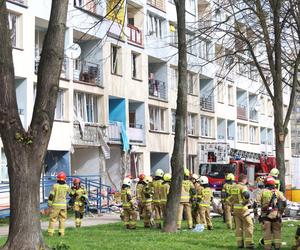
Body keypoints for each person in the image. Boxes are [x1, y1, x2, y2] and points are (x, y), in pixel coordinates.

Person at [257, 176, 287, 250]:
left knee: (267, 233)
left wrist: (257, 215)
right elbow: (284, 203)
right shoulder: (278, 192)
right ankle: (277, 247)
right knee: (277, 232)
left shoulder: (262, 192)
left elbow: (256, 204)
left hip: (265, 215)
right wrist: (280, 213)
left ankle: (268, 248)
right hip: (276, 215)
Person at [229, 174, 254, 249]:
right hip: (243, 209)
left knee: (238, 227)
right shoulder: (243, 187)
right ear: (244, 180)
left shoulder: (233, 187)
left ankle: (240, 244)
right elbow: (246, 195)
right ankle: (249, 244)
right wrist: (247, 201)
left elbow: (230, 198)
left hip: (235, 209)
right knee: (249, 225)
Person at [47, 171, 71, 237]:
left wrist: (49, 203)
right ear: (64, 179)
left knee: (53, 219)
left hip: (55, 206)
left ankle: (50, 233)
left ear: (57, 178)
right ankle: (61, 233)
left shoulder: (55, 186)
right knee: (62, 219)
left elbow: (51, 195)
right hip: (63, 206)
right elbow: (72, 194)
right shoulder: (67, 186)